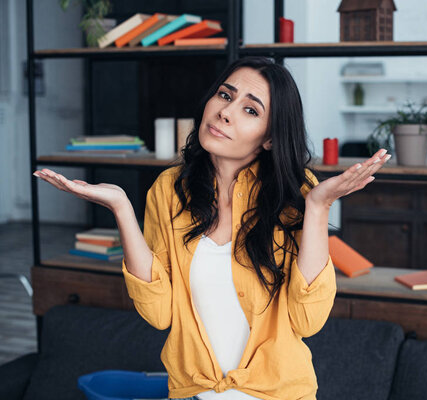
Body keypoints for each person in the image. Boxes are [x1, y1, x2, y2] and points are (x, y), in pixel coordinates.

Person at [33, 56, 392, 400]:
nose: (225, 112)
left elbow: (307, 319)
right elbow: (159, 314)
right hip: (191, 394)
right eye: (225, 95)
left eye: (250, 110)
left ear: (269, 138)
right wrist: (121, 207)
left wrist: (318, 206)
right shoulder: (170, 189)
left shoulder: (297, 193)